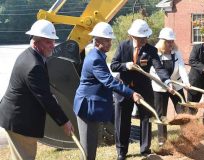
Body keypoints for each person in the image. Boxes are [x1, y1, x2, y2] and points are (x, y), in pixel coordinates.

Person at [0, 19, 74, 160]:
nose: (53, 45)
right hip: (20, 122)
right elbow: (45, 99)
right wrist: (64, 121)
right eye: (48, 42)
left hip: (15, 118)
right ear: (35, 41)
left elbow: (40, 90)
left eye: (53, 41)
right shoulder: (34, 65)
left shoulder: (30, 55)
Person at [73, 22, 143, 160]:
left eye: (110, 40)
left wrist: (117, 80)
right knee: (88, 148)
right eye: (107, 40)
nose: (110, 43)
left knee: (91, 146)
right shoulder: (95, 59)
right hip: (87, 106)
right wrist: (131, 93)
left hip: (91, 105)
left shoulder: (97, 56)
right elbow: (108, 81)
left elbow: (104, 77)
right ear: (97, 41)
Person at [110, 19, 174, 160]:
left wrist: (167, 81)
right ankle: (121, 151)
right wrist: (126, 65)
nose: (145, 40)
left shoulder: (151, 50)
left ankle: (145, 149)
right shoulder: (123, 46)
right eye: (142, 38)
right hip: (124, 89)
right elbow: (113, 65)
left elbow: (159, 68)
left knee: (146, 118)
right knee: (122, 120)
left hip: (144, 89)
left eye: (146, 37)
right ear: (133, 36)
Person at [149, 27, 190, 146]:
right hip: (160, 87)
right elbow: (156, 72)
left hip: (176, 86)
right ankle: (163, 141)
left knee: (182, 110)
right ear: (162, 41)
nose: (171, 44)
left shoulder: (176, 53)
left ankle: (187, 136)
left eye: (172, 41)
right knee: (161, 114)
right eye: (168, 41)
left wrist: (186, 82)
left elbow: (181, 68)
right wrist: (167, 85)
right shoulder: (155, 54)